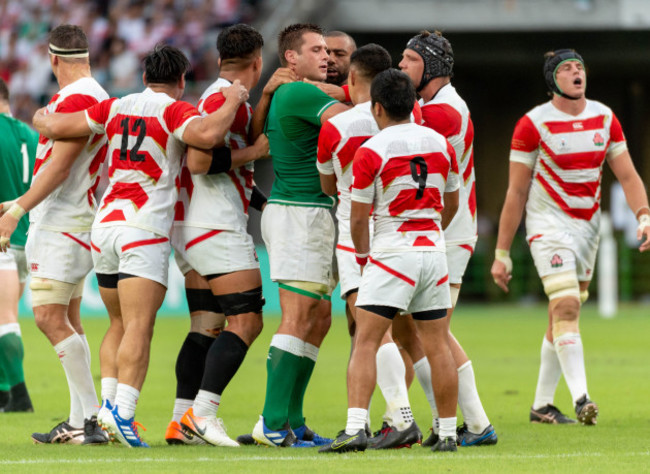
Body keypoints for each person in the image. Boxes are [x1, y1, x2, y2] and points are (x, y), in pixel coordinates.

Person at [32, 44, 249, 447]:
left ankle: (106, 412)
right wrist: (234, 98)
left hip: (105, 227)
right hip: (143, 228)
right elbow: (209, 134)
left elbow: (56, 127)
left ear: (145, 75)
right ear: (182, 81)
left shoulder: (116, 106)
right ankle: (123, 414)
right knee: (139, 326)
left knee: (117, 324)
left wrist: (41, 115)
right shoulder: (174, 110)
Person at [491, 49, 650, 426]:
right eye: (566, 68)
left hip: (588, 229)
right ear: (553, 80)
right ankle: (582, 398)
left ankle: (542, 405)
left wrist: (644, 216)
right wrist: (502, 252)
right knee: (567, 308)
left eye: (580, 67)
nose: (576, 72)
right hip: (548, 226)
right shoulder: (532, 124)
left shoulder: (605, 117)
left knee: (562, 313)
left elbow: (627, 176)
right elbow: (516, 192)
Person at [320, 68, 460, 453]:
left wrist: (363, 255)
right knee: (438, 345)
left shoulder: (373, 150)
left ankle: (354, 429)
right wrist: (431, 232)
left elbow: (359, 216)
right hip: (432, 251)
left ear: (376, 108)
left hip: (391, 253)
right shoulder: (440, 142)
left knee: (366, 339)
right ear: (414, 105)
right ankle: (447, 432)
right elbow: (453, 203)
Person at [166, 23, 292, 447]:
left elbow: (228, 166)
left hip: (192, 226)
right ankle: (202, 415)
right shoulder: (225, 98)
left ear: (220, 59)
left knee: (207, 326)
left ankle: (180, 419)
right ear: (258, 62)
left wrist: (262, 203)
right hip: (215, 227)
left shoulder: (221, 95)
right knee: (247, 321)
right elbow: (203, 163)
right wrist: (256, 153)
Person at [0, 25, 110, 445]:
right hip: (76, 218)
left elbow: (60, 167)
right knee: (69, 319)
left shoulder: (78, 99)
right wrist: (18, 201)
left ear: (53, 60)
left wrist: (19, 210)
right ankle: (79, 419)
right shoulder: (93, 96)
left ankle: (91, 421)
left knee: (47, 318)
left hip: (62, 223)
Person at [317, 44, 423, 449]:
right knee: (410, 331)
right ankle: (439, 420)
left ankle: (397, 417)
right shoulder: (416, 121)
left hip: (356, 232)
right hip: (407, 231)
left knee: (370, 329)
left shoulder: (336, 126)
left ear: (352, 80)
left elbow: (329, 186)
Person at [250, 23, 348, 448]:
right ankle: (272, 423)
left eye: (329, 50)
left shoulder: (291, 92)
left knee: (318, 318)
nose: (327, 57)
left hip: (313, 213)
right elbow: (353, 122)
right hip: (298, 214)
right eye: (317, 49)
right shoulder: (301, 92)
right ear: (291, 58)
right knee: (296, 316)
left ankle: (292, 419)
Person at [398, 30, 497, 446]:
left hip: (448, 234)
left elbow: (382, 124)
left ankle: (469, 424)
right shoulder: (435, 105)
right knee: (414, 330)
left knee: (428, 332)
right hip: (440, 232)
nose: (401, 66)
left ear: (433, 66)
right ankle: (466, 423)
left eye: (409, 59)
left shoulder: (443, 112)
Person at [0, 78, 37, 414]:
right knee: (5, 315)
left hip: (2, 235)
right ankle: (3, 394)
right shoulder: (30, 135)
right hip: (29, 236)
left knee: (4, 317)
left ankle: (19, 395)